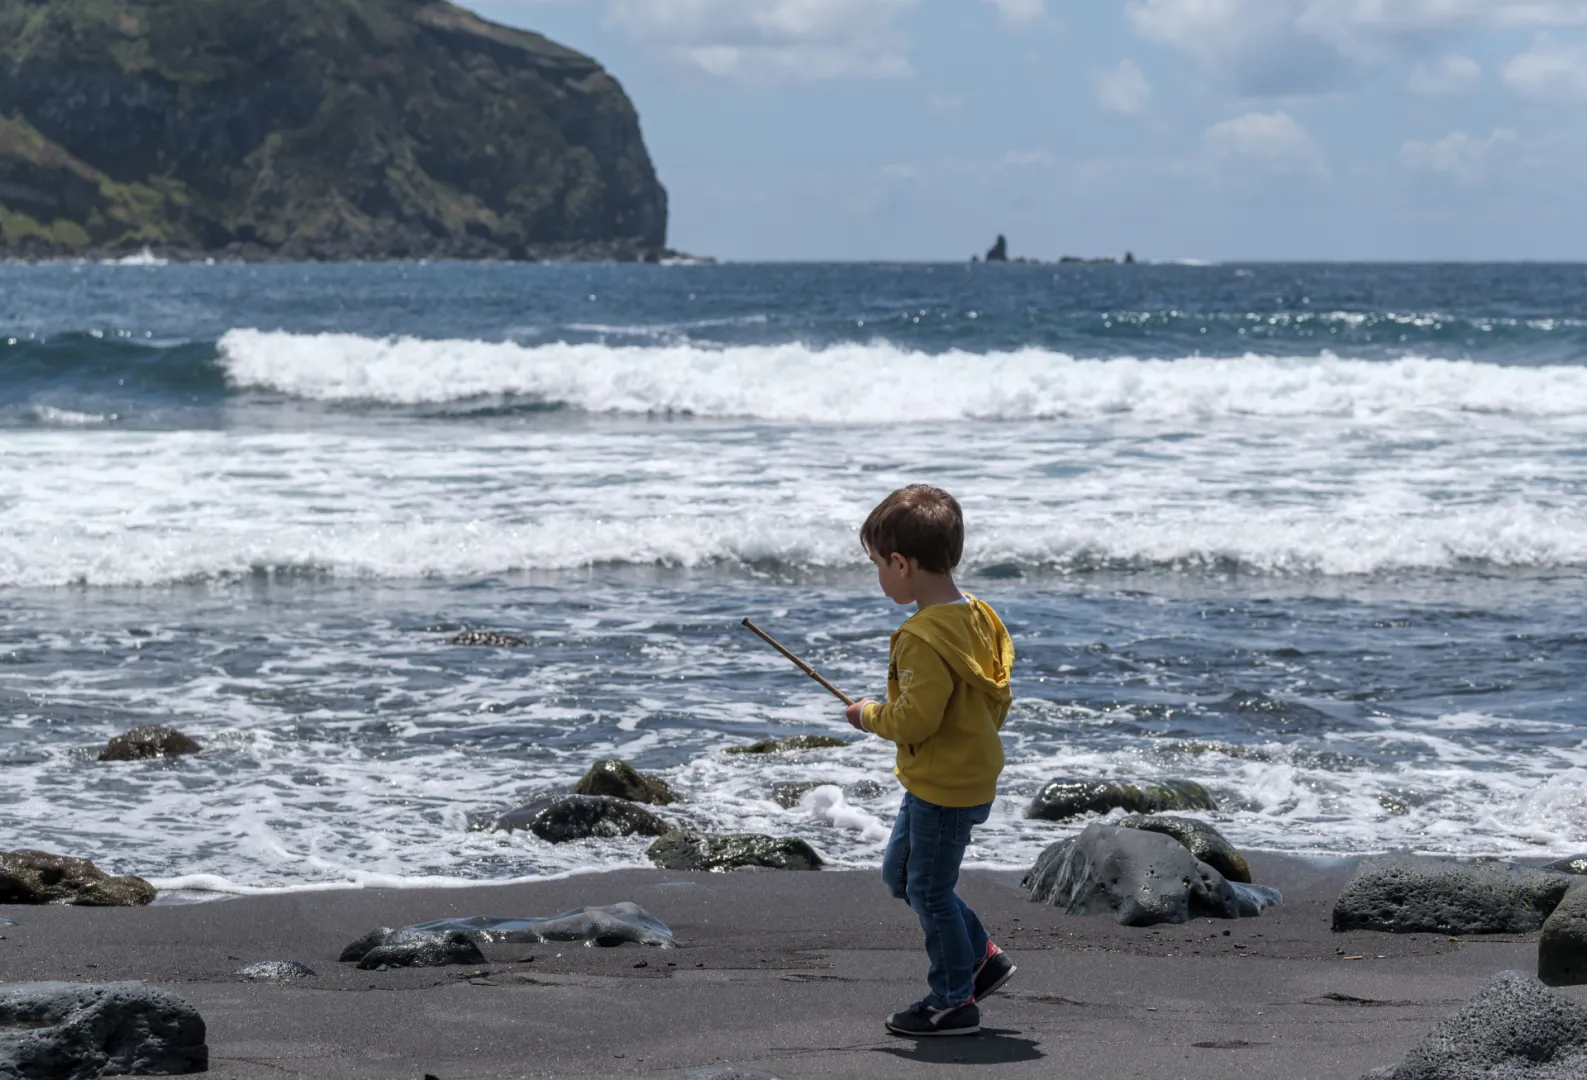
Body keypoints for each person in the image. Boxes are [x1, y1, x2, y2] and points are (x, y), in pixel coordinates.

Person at [844, 484, 1016, 1037]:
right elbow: (995, 695)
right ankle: (981, 958)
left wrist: (869, 714)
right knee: (902, 875)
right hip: (958, 776)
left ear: (902, 563)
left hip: (944, 785)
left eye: (878, 565)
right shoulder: (979, 617)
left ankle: (951, 1001)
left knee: (929, 890)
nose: (878, 578)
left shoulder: (921, 636)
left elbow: (914, 721)